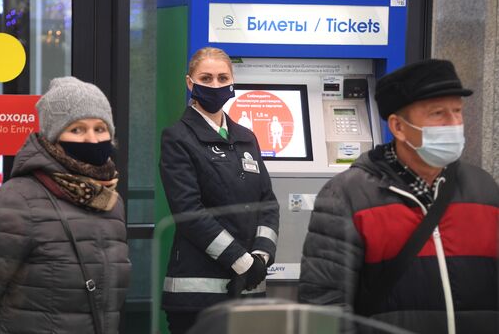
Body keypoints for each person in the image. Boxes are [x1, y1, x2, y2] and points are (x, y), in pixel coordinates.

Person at [299, 59, 499, 334]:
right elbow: (324, 308)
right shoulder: (347, 196)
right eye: (438, 113)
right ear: (398, 127)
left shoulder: (484, 189)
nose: (454, 124)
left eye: (458, 112)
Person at [0, 77, 131, 333]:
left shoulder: (110, 201)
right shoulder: (18, 200)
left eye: (100, 129)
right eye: (77, 129)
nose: (92, 139)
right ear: (54, 137)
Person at [159, 47, 280, 334]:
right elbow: (189, 212)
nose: (215, 85)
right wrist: (241, 261)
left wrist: (261, 257)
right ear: (190, 83)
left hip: (248, 287)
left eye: (222, 77)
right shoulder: (178, 137)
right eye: (206, 78)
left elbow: (268, 204)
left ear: (232, 81)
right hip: (197, 296)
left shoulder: (246, 137)